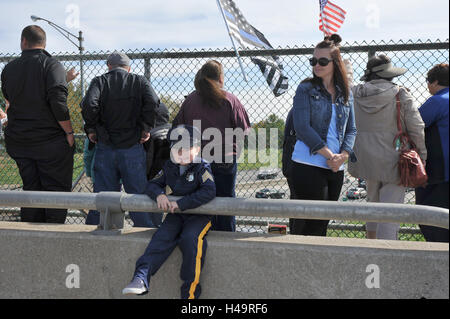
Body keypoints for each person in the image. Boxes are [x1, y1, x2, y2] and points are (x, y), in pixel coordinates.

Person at [122, 125, 216, 299]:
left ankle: (190, 294)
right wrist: (159, 195)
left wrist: (181, 203)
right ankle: (141, 278)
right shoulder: (170, 166)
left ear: (197, 149)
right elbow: (152, 184)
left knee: (190, 240)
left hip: (199, 216)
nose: (181, 154)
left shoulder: (202, 167)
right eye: (177, 149)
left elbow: (209, 191)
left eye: (187, 149)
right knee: (161, 237)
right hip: (176, 215)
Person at [1, 25, 75, 224]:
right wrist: (69, 132)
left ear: (23, 42)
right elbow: (58, 102)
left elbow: (9, 97)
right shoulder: (52, 65)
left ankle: (31, 237)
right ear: (44, 43)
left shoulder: (9, 68)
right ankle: (51, 238)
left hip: (20, 140)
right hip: (50, 142)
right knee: (56, 193)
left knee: (30, 189)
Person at [81, 51, 164, 228]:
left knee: (104, 197)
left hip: (106, 146)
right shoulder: (139, 80)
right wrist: (145, 128)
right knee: (138, 196)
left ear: (109, 66)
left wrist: (93, 129)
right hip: (132, 145)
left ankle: (99, 235)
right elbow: (154, 102)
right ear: (128, 68)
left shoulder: (100, 81)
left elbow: (89, 104)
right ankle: (144, 233)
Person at [348, 54, 427, 240]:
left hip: (366, 160)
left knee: (372, 205)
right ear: (389, 74)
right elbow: (417, 127)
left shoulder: (355, 93)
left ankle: (371, 246)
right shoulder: (400, 93)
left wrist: (347, 65)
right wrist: (422, 155)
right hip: (395, 159)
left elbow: (347, 81)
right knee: (391, 210)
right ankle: (386, 253)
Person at [289, 34, 357, 236]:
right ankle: (299, 266)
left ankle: (315, 266)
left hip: (335, 168)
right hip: (307, 164)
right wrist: (330, 156)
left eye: (322, 61)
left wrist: (343, 156)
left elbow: (352, 129)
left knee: (323, 224)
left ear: (335, 63)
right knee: (307, 225)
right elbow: (302, 127)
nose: (316, 65)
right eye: (313, 61)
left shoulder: (345, 93)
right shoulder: (305, 89)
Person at [172, 60, 251, 232]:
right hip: (224, 159)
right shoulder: (230, 100)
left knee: (199, 203)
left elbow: (178, 128)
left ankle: (198, 236)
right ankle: (226, 240)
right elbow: (244, 131)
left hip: (197, 161)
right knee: (226, 204)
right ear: (220, 78)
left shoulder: (190, 100)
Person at [415, 63, 449, 243]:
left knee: (429, 218)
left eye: (428, 81)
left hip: (440, 173)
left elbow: (414, 124)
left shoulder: (438, 100)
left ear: (435, 82)